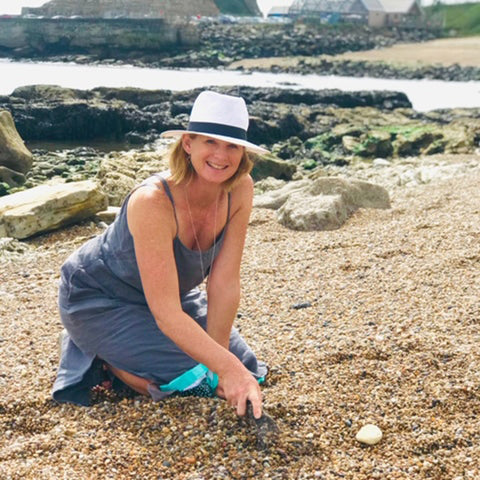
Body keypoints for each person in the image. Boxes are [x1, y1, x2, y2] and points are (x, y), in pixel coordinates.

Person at [52, 90, 269, 418]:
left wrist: (223, 363)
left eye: (232, 146)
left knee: (246, 370)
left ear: (242, 152)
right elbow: (165, 312)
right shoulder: (153, 201)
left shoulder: (240, 189)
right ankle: (103, 356)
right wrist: (219, 372)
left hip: (170, 296)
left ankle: (128, 350)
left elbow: (224, 282)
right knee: (198, 385)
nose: (221, 155)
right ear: (188, 144)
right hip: (97, 298)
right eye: (210, 142)